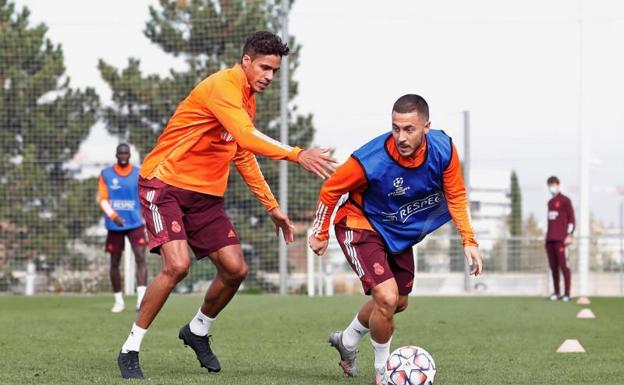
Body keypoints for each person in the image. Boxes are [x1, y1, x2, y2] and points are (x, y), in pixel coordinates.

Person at [116, 31, 336, 379]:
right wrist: (297, 154)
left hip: (205, 196)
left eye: (275, 71)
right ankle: (130, 348)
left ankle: (198, 330)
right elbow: (248, 137)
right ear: (246, 61)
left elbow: (242, 152)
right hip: (164, 184)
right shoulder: (223, 86)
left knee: (235, 269)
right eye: (264, 67)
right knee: (177, 265)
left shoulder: (247, 99)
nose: (269, 76)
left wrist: (272, 206)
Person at [308, 94, 483, 385]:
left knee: (397, 302)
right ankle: (384, 372)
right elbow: (330, 189)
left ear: (426, 127)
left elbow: (456, 195)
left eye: (409, 129)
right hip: (359, 223)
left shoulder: (444, 149)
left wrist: (469, 240)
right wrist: (320, 231)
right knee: (386, 298)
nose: (401, 136)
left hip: (396, 233)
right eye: (395, 128)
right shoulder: (370, 160)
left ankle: (348, 340)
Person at [98, 143, 148, 313]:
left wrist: (144, 215)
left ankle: (141, 300)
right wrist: (113, 216)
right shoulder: (106, 174)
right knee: (114, 262)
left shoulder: (138, 173)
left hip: (135, 223)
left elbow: (144, 196)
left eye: (126, 153)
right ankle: (118, 301)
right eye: (121, 153)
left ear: (129, 155)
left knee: (141, 257)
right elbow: (102, 199)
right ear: (116, 155)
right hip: (115, 224)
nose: (123, 155)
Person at [545, 176, 575, 302]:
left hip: (561, 240)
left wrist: (569, 235)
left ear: (558, 185)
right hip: (550, 240)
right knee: (553, 268)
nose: (551, 187)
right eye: (549, 185)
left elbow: (572, 220)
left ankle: (567, 293)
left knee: (564, 267)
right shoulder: (550, 202)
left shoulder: (565, 200)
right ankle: (557, 292)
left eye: (553, 184)